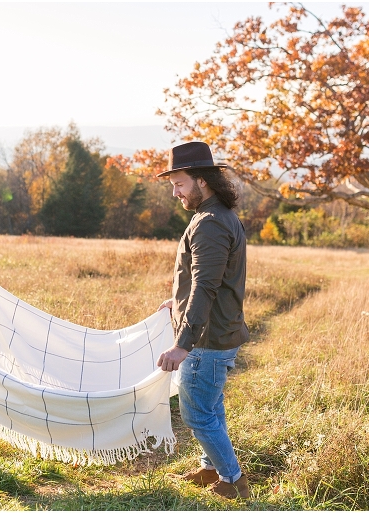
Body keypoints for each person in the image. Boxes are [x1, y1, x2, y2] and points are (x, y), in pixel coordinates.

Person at [155, 141, 250, 499]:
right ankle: (212, 469)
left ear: (202, 182)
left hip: (207, 340)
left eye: (179, 184)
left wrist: (182, 344)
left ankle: (233, 480)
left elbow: (206, 286)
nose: (176, 192)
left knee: (197, 416)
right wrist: (177, 303)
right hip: (215, 331)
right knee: (210, 408)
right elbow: (202, 281)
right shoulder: (214, 215)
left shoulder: (210, 223)